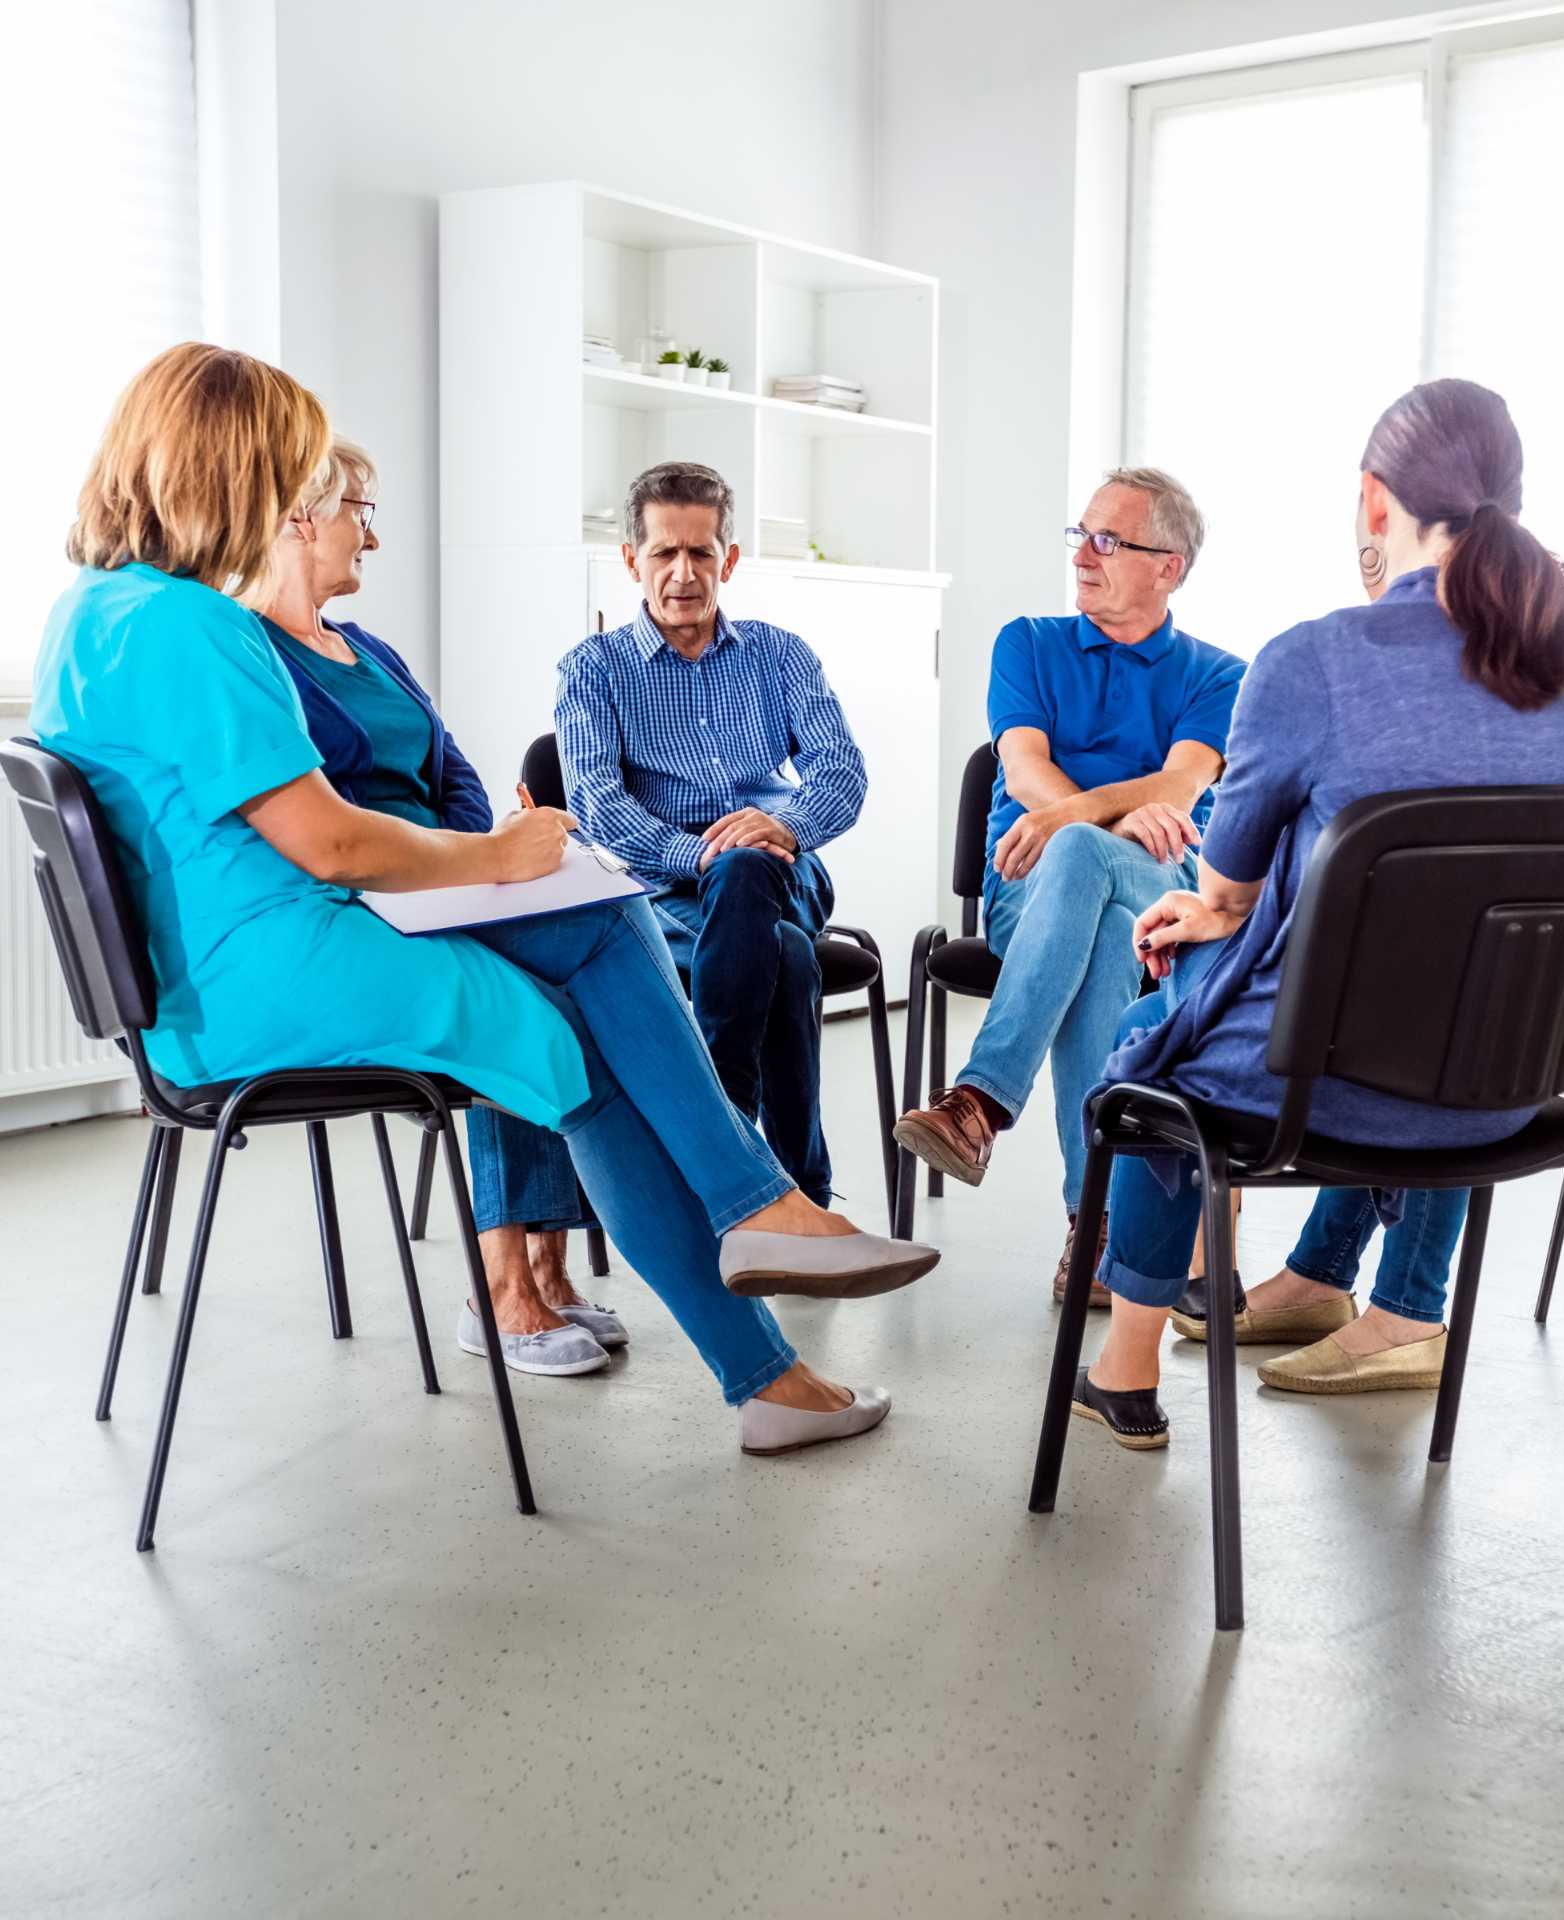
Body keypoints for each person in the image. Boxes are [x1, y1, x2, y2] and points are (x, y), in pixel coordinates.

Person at [32, 343, 937, 1456]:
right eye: (290, 473)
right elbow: (324, 839)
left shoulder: (97, 609)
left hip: (209, 982)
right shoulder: (190, 624)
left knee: (577, 997)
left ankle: (763, 1335)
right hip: (266, 975)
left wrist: (498, 857)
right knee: (592, 945)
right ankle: (759, 1246)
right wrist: (502, 860)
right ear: (231, 469)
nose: (296, 502)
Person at [1066, 379, 1564, 1448]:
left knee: (1154, 1047)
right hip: (1515, 1087)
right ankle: (1326, 1280)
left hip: (1330, 1093)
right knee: (1418, 981)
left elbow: (1227, 884)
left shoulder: (1313, 659)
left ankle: (1125, 1365)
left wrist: (1213, 910)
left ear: (1376, 501)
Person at [244, 434, 630, 1370]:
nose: (370, 541)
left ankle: (549, 1263)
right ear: (303, 517)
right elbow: (327, 819)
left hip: (443, 874)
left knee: (573, 952)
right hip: (370, 900)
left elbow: (449, 765)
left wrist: (482, 853)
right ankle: (498, 1289)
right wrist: (466, 863)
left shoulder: (364, 648)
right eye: (360, 514)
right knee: (515, 976)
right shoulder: (255, 655)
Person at [892, 468, 1245, 1304]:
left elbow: (1186, 787)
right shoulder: (1029, 642)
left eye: (1110, 540)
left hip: (1158, 887)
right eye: (1081, 534)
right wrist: (1110, 819)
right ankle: (1098, 1236)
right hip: (1032, 888)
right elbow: (1021, 769)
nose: (1084, 555)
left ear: (1170, 566)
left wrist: (1089, 825)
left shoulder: (1219, 673)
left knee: (1091, 870)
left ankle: (979, 1104)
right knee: (1093, 922)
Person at [556, 462, 863, 1205]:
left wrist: (782, 822)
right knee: (785, 958)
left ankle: (723, 1141)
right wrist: (704, 852)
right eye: (665, 552)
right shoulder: (591, 671)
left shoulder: (779, 655)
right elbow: (598, 806)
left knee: (752, 875)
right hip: (666, 893)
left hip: (782, 867)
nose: (683, 573)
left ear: (728, 559)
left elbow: (843, 775)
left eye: (701, 552)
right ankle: (800, 1194)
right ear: (632, 560)